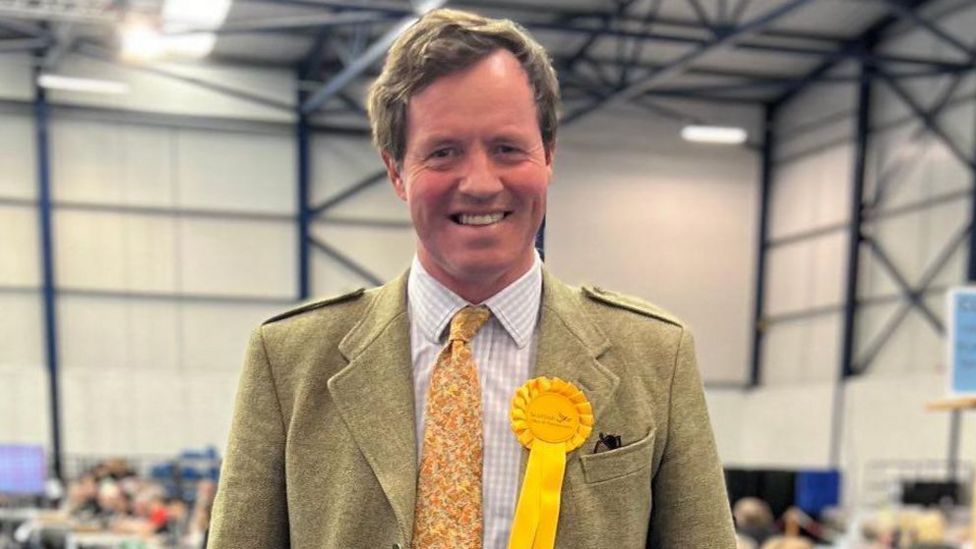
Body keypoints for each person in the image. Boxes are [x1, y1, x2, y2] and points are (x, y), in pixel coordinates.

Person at [208, 8, 734, 549]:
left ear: (548, 155)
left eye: (507, 148)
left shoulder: (654, 355)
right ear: (396, 171)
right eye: (443, 152)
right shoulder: (289, 359)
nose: (481, 183)